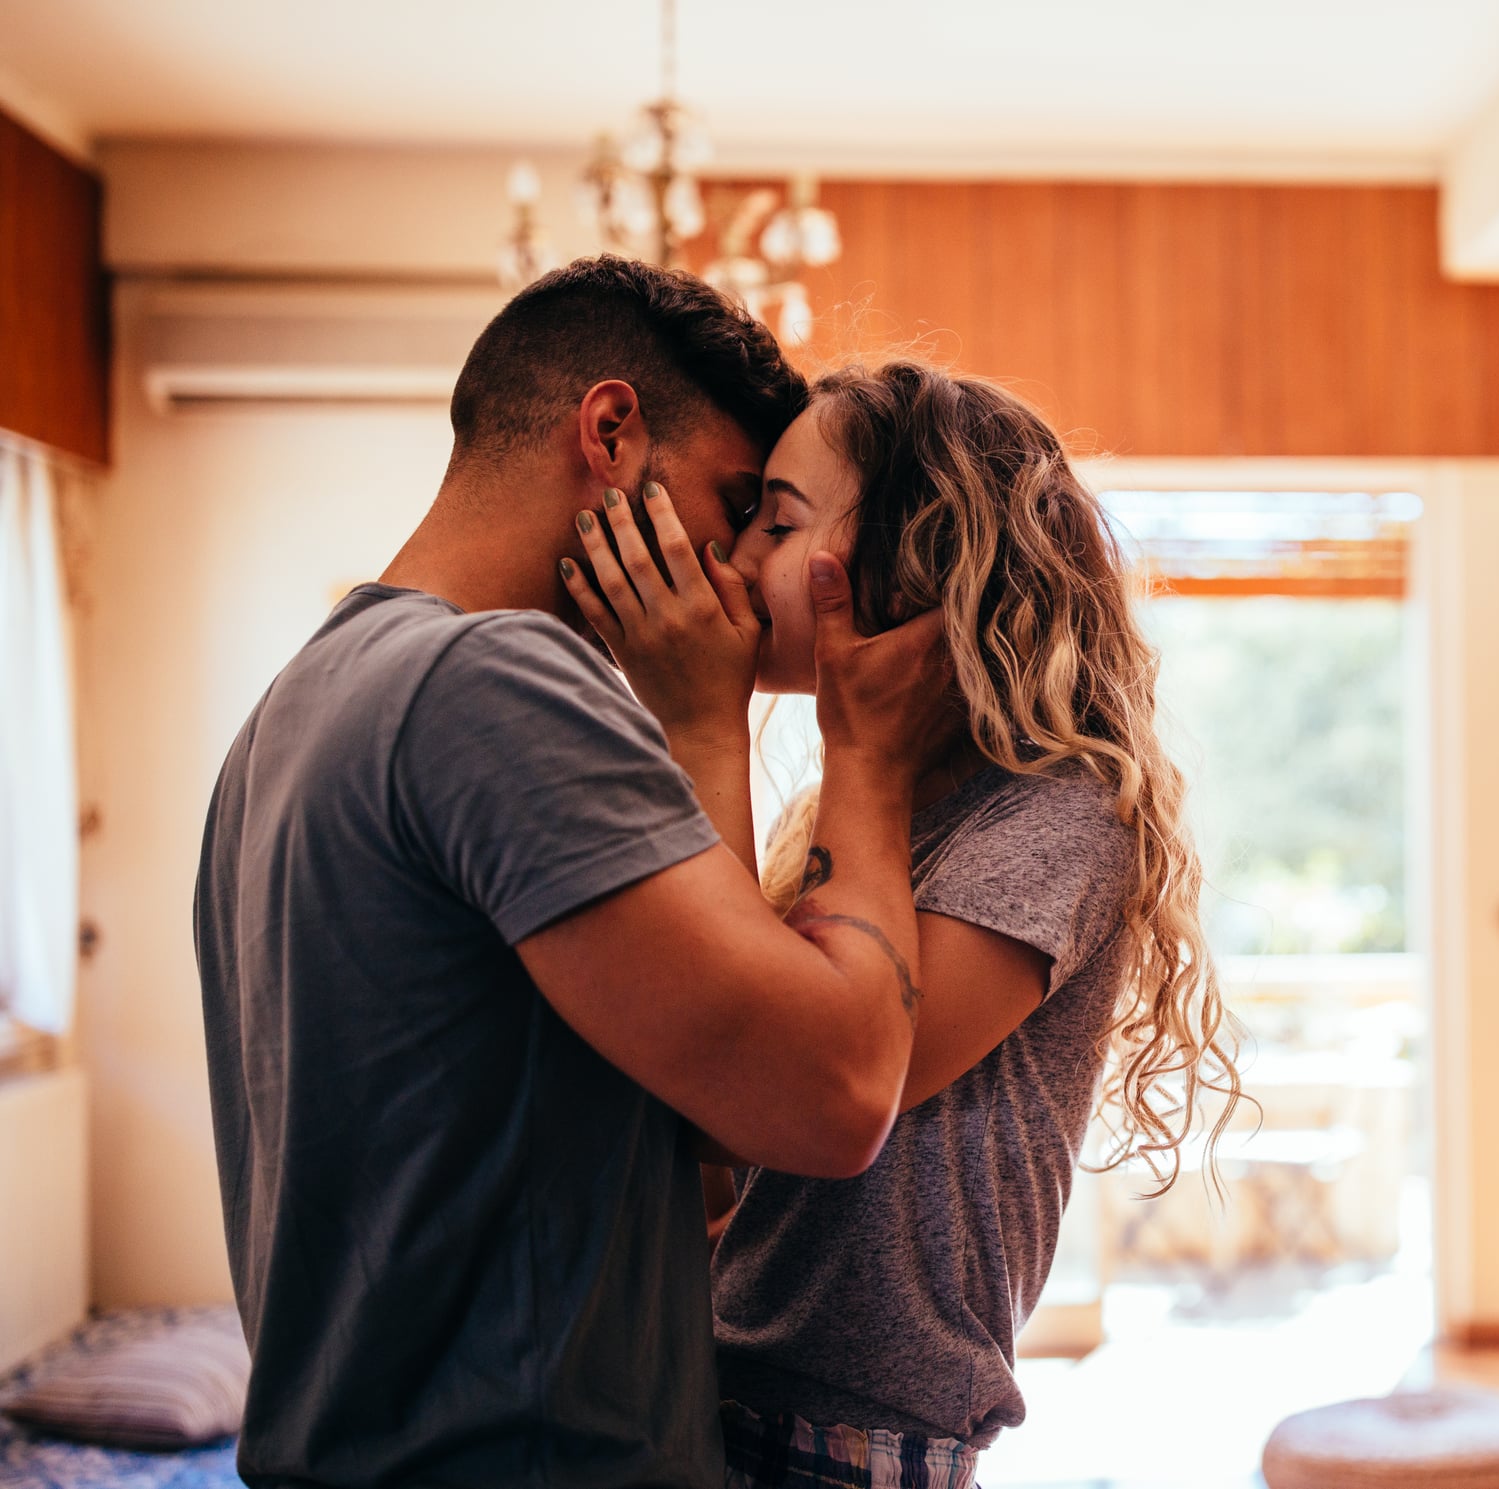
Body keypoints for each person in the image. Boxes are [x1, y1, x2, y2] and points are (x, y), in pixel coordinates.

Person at [193, 259, 953, 1489]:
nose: (743, 574)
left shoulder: (290, 711)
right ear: (609, 434)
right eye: (736, 504)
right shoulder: (496, 684)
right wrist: (865, 753)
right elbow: (832, 1091)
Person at [566, 359, 1245, 1489]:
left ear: (915, 553)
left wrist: (709, 723)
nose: (733, 562)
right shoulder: (849, 810)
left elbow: (784, 1087)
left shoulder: (1059, 815)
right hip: (726, 1406)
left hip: (856, 1447)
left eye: (774, 525)